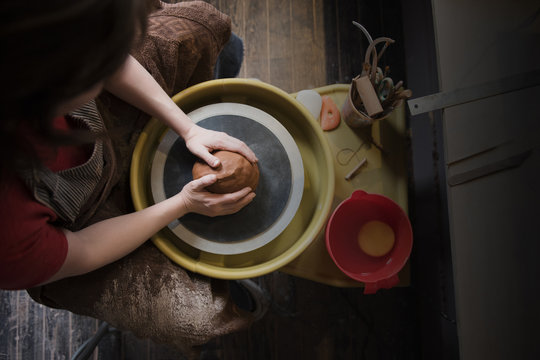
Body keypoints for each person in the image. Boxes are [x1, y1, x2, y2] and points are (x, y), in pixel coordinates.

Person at [0, 0, 265, 355]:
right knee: (195, 315)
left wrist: (188, 129)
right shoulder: (7, 233)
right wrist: (183, 203)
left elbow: (106, 59)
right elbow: (84, 250)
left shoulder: (35, 44)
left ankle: (217, 72)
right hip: (81, 229)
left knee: (201, 23)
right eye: (99, 64)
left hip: (94, 122)